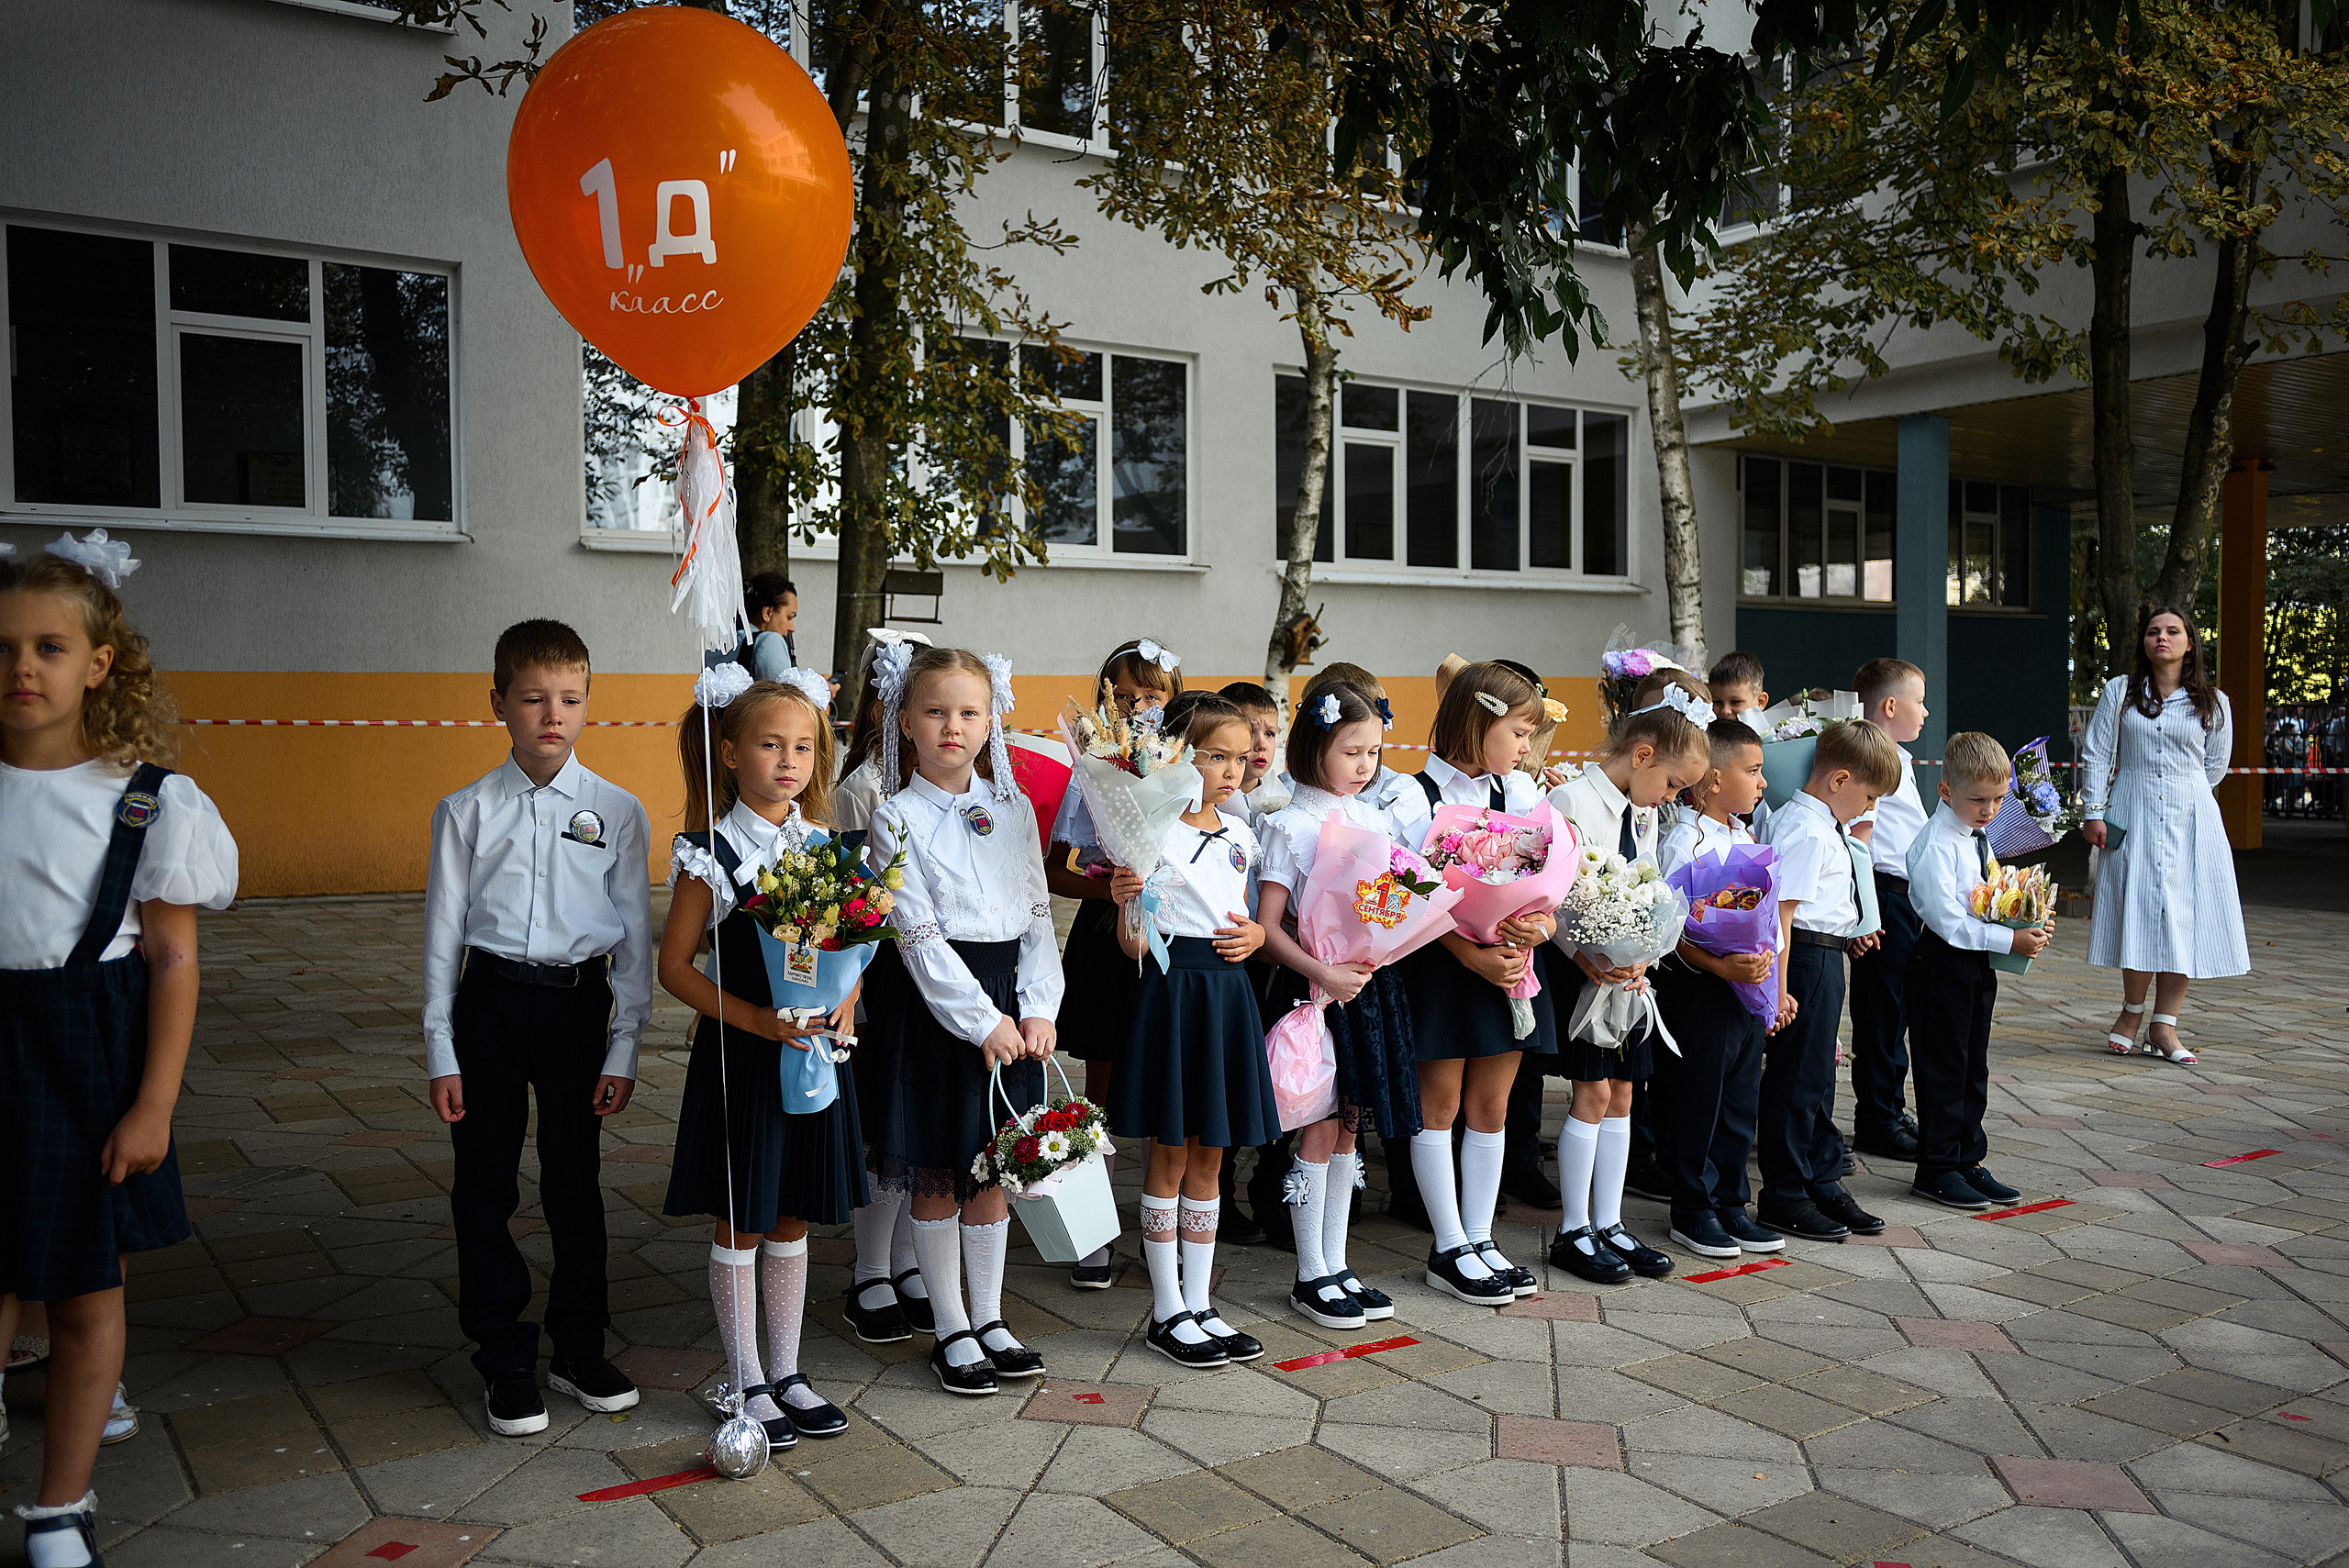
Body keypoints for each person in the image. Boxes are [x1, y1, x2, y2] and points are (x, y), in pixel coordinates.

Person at [0, 539, 237, 1568]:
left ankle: (59, 1505)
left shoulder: (145, 798)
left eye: (50, 646)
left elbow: (174, 958)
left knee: (86, 1290)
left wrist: (155, 1104)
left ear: (98, 663)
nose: (23, 666)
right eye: (5, 647)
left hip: (87, 1048)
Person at [423, 619, 651, 1437]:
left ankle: (579, 1346)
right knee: (483, 1184)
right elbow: (442, 935)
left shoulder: (617, 812)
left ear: (588, 703)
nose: (553, 714)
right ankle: (503, 1355)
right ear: (499, 703)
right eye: (533, 698)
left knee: (574, 1182)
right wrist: (440, 1048)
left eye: (570, 698)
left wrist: (624, 1042)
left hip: (574, 1007)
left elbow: (632, 937)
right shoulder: (466, 810)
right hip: (486, 1004)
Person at [659, 669, 864, 1451]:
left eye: (804, 746)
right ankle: (742, 1374)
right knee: (743, 1213)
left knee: (791, 1212)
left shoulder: (823, 846)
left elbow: (849, 948)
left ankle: (787, 1370)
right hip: (744, 1058)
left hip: (813, 1054)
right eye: (771, 744)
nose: (789, 760)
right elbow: (675, 965)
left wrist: (845, 1002)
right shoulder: (712, 851)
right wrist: (756, 1021)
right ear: (731, 751)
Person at [862, 645, 1061, 1396]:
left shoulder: (1010, 809)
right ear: (906, 720)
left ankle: (992, 1314)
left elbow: (1038, 912)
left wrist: (1038, 1006)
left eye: (970, 712)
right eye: (937, 711)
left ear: (991, 720)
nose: (954, 726)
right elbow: (917, 938)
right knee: (942, 1172)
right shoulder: (895, 817)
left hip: (1013, 999)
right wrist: (982, 1022)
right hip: (943, 1012)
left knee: (996, 1171)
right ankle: (950, 1325)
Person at [1108, 695, 1275, 1367]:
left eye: (1240, 757)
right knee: (1170, 1153)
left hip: (1228, 996)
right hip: (1175, 992)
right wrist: (1128, 905)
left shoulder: (1240, 833)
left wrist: (1260, 933)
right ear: (1179, 757)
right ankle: (1167, 1306)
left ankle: (1201, 1301)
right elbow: (1133, 947)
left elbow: (1255, 915)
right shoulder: (1152, 832)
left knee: (1212, 1155)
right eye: (1216, 756)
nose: (1232, 770)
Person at [1391, 663, 1559, 1306]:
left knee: (1492, 1108)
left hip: (1509, 967)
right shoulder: (1412, 796)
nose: (1524, 747)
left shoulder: (1520, 795)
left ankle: (1482, 1236)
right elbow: (1404, 894)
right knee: (1441, 1107)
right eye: (1518, 731)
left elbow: (1547, 881)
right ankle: (1448, 1243)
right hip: (1441, 966)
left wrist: (1538, 925)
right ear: (1479, 720)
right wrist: (1469, 952)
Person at [1258, 683, 1422, 1329]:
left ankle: (1337, 1259)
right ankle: (1309, 1271)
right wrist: (1324, 970)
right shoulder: (1287, 825)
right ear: (1314, 744)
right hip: (1312, 988)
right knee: (1319, 1123)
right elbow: (1267, 927)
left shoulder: (1375, 820)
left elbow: (1397, 904)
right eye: (1351, 750)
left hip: (1367, 987)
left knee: (1351, 1120)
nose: (1365, 765)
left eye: (1374, 752)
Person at [1544, 687, 1709, 1284]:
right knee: (1589, 1095)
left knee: (1623, 1095)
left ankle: (1609, 1222)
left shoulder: (1641, 809)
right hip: (1583, 969)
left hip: (1627, 974)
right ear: (1641, 756)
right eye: (1670, 784)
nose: (1670, 799)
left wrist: (1645, 950)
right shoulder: (1571, 801)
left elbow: (1642, 887)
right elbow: (1556, 895)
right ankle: (1574, 1228)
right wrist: (1581, 950)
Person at [1046, 638, 1184, 1286]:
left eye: (1150, 695)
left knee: (1166, 1082)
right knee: (1100, 1085)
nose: (1135, 706)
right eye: (1123, 695)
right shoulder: (1091, 768)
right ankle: (1093, 1236)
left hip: (1172, 937)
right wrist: (1107, 886)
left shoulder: (1187, 765)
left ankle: (1172, 1224)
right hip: (1107, 933)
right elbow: (1055, 867)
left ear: (1172, 698)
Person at [2080, 606, 2248, 1064]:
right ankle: (2130, 1014)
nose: (2162, 638)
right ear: (2144, 643)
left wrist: (2181, 789)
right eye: (2154, 631)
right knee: (2137, 906)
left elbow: (2214, 766)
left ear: (2189, 643)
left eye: (2173, 631)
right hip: (2130, 808)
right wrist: (2094, 811)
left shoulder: (2213, 702)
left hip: (2190, 816)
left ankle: (2165, 1025)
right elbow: (2096, 754)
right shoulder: (2120, 691)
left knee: (2184, 916)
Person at [1753, 720, 1898, 1243]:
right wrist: (1779, 988)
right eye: (1868, 795)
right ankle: (1784, 1192)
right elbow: (1784, 916)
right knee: (1796, 1082)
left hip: (1825, 954)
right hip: (1806, 961)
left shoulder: (1822, 825)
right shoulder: (1807, 829)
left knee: (1815, 1079)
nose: (1867, 809)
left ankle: (1818, 1178)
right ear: (1838, 780)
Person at [832, 628, 936, 1348]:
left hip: (938, 974)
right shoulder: (863, 788)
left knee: (918, 1121)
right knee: (884, 1124)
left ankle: (906, 1262)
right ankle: (871, 1267)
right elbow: (853, 897)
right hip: (881, 970)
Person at [1651, 718, 1784, 1259]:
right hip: (1701, 987)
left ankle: (1732, 1200)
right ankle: (1692, 1206)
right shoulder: (1685, 839)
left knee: (1738, 1098)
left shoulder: (1745, 834)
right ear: (1710, 779)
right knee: (1697, 1097)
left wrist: (1769, 976)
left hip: (1745, 988)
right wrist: (1720, 965)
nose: (1762, 783)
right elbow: (1669, 927)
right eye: (1752, 771)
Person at [1906, 732, 2052, 1209]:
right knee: (1943, 1067)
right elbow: (1946, 920)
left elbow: (1988, 895)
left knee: (1973, 1065)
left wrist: (2026, 913)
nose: (1990, 809)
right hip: (1941, 964)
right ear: (1946, 790)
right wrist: (2009, 939)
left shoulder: (1978, 836)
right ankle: (1937, 1168)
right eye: (1978, 799)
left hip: (1974, 966)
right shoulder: (1936, 844)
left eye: (1998, 799)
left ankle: (1967, 1158)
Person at [1845, 658, 1932, 1164]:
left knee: (1895, 1010)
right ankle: (1878, 1118)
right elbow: (1864, 838)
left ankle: (1889, 1109)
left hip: (1902, 894)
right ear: (1891, 706)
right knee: (1882, 1013)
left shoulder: (1894, 755)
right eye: (1919, 701)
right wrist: (1868, 912)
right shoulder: (1873, 758)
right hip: (1882, 893)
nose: (1925, 711)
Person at [702, 573, 800, 681]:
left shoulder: (717, 647)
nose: (792, 628)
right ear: (767, 613)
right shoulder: (771, 641)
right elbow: (783, 695)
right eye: (789, 618)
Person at [1708, 652, 1769, 723]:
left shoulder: (1781, 733)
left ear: (1760, 702)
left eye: (1735, 702)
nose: (1725, 711)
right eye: (1717, 702)